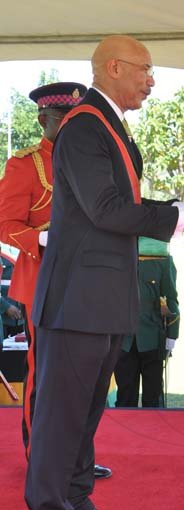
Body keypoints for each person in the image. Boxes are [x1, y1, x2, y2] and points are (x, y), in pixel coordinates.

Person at [21, 35, 184, 510]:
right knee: (61, 418)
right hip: (77, 302)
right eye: (146, 70)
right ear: (114, 67)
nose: (151, 81)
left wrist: (179, 210)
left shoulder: (105, 125)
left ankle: (76, 501)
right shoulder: (85, 126)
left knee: (87, 413)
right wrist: (181, 218)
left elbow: (122, 205)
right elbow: (108, 209)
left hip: (101, 298)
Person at [0, 82, 112, 480]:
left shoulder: (92, 157)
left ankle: (77, 460)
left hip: (88, 282)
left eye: (74, 119)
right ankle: (40, 459)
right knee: (44, 375)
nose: (69, 127)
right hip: (43, 280)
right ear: (42, 119)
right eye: (61, 120)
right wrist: (42, 237)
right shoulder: (25, 165)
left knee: (86, 378)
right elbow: (5, 223)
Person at [114, 236, 180, 408]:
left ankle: (155, 432)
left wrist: (171, 336)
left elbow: (171, 299)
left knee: (153, 397)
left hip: (153, 338)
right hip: (123, 340)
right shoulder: (115, 259)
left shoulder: (161, 261)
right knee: (125, 397)